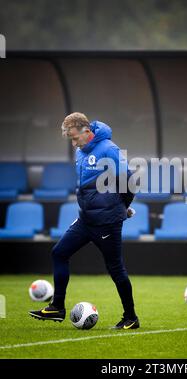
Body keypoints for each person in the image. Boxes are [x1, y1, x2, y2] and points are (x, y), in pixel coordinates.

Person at [29, 112, 139, 330]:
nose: (73, 143)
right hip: (85, 219)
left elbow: (130, 182)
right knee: (59, 253)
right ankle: (57, 307)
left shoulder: (109, 149)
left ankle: (131, 317)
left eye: (75, 137)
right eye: (70, 139)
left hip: (107, 221)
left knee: (115, 269)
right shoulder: (80, 152)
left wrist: (122, 208)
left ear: (86, 131)